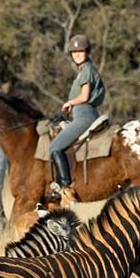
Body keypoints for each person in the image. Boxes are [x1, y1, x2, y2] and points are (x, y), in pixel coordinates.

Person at [49, 34, 106, 190]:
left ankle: (65, 186)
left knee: (54, 147)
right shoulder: (83, 71)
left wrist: (69, 103)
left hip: (84, 117)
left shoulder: (87, 70)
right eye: (74, 52)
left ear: (87, 52)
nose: (77, 54)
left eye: (81, 51)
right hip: (80, 114)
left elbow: (84, 96)